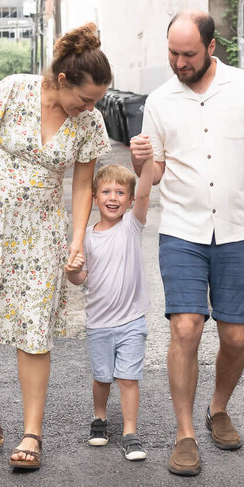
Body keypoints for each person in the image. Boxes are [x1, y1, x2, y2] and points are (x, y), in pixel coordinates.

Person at [133, 10, 244, 477]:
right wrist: (140, 163)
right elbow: (156, 173)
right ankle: (185, 433)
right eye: (172, 53)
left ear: (211, 48)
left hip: (238, 231)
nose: (179, 62)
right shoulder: (160, 100)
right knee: (185, 329)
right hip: (183, 231)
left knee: (236, 336)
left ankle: (218, 408)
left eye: (188, 54)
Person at [0, 23, 112, 471]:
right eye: (86, 97)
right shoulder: (13, 91)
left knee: (34, 325)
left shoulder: (88, 122)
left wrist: (77, 240)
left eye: (96, 100)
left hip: (40, 231)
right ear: (62, 80)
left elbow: (81, 187)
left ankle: (32, 432)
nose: (90, 107)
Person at [64, 152, 154, 462]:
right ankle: (100, 419)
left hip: (131, 320)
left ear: (129, 201)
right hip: (99, 323)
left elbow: (145, 189)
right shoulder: (85, 237)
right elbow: (80, 279)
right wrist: (72, 270)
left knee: (129, 378)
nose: (113, 197)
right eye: (106, 191)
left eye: (120, 193)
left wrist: (148, 159)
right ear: (93, 197)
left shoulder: (131, 225)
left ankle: (130, 432)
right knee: (102, 377)